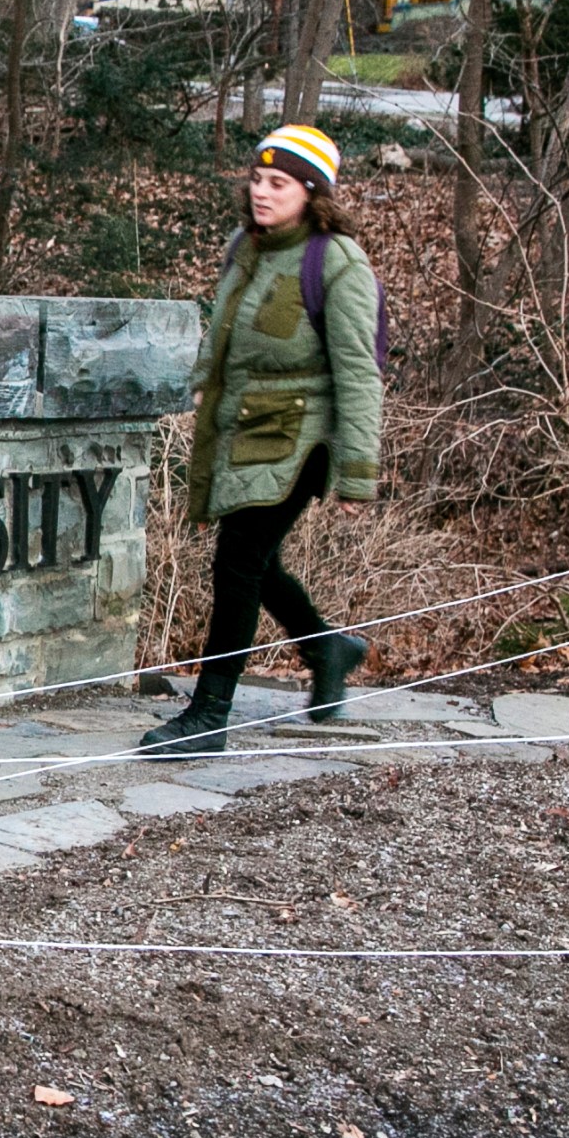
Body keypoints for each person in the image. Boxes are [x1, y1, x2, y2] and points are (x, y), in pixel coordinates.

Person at [141, 124, 383, 756]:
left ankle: (209, 713)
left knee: (238, 561)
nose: (262, 193)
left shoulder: (336, 262)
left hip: (300, 436)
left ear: (312, 192)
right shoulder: (244, 248)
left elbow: (360, 371)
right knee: (254, 560)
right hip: (243, 427)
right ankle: (327, 647)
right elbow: (223, 331)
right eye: (257, 179)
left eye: (279, 183)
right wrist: (202, 385)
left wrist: (358, 471)